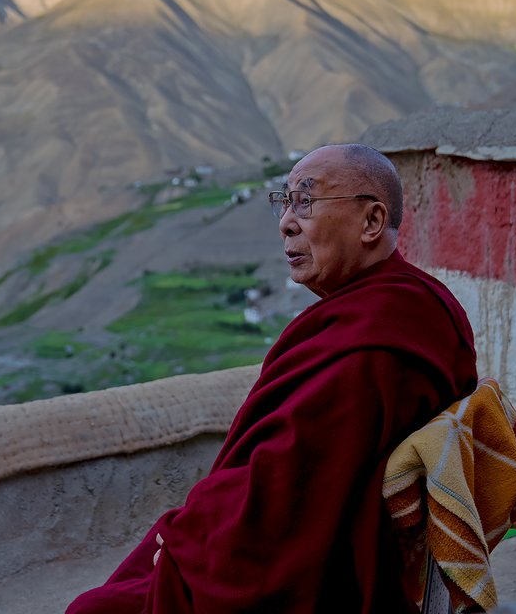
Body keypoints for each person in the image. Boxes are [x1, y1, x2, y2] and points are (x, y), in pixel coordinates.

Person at [67, 144, 478, 614]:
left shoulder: (378, 338)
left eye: (305, 202)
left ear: (371, 222)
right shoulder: (405, 305)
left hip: (316, 565)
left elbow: (288, 496)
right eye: (283, 202)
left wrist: (194, 540)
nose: (285, 221)